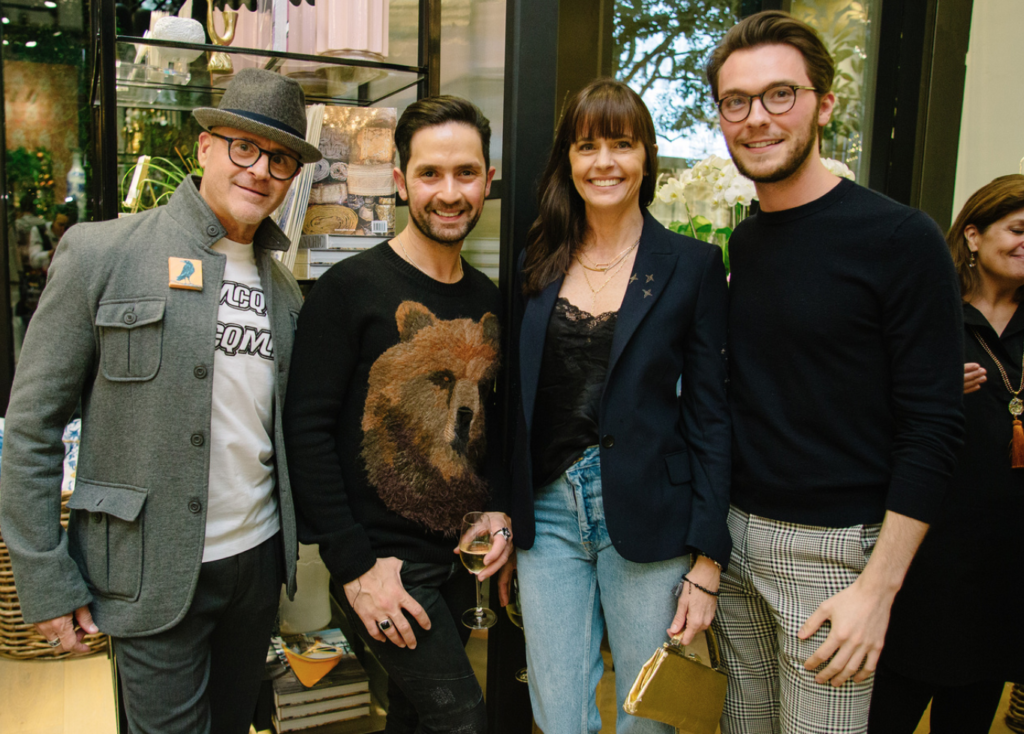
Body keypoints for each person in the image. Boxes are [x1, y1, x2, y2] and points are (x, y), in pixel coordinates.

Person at [0, 68, 321, 734]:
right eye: (244, 147)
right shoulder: (101, 254)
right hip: (147, 571)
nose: (261, 169)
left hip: (255, 568)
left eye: (281, 158)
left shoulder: (287, 295)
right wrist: (46, 577)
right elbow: (30, 428)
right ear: (204, 146)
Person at [705, 11, 965, 734]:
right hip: (733, 546)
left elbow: (936, 426)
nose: (757, 119)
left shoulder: (900, 238)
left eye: (779, 95)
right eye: (737, 102)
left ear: (824, 103)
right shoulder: (745, 242)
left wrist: (878, 588)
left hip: (832, 556)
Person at [501, 78, 732, 734]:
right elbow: (512, 400)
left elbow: (711, 417)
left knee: (648, 709)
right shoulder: (535, 264)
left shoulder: (692, 265)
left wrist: (708, 561)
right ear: (567, 162)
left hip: (650, 511)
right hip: (547, 513)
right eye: (586, 146)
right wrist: (504, 507)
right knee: (559, 705)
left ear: (646, 157)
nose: (603, 161)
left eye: (621, 144)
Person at [284, 95, 512, 734]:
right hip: (383, 567)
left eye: (466, 173)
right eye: (430, 174)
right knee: (463, 720)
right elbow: (305, 432)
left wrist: (498, 508)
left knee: (415, 721)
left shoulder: (487, 299)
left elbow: (490, 428)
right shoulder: (348, 290)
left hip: (453, 562)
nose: (449, 191)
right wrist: (354, 566)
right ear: (399, 180)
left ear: (488, 181)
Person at [868, 175, 1024, 733]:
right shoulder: (929, 313)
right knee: (887, 708)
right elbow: (865, 415)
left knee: (971, 709)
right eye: (1018, 229)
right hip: (926, 554)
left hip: (1006, 563)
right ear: (975, 236)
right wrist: (926, 393)